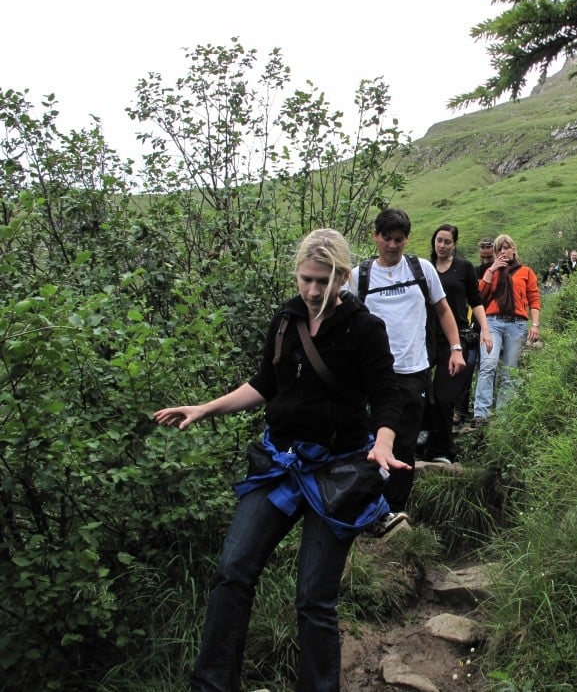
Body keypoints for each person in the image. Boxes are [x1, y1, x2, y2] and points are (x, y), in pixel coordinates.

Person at [153, 228, 407, 692]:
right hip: (280, 464)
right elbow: (265, 384)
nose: (312, 290)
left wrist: (384, 442)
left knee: (313, 597)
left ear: (343, 278)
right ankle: (212, 685)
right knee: (232, 572)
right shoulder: (286, 321)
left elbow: (387, 395)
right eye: (306, 279)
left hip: (337, 473)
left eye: (323, 281)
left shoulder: (365, 329)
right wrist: (206, 408)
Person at [349, 209, 465, 513]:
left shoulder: (421, 269)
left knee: (404, 443)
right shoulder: (358, 276)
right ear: (375, 236)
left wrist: (456, 347)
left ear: (407, 240)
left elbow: (443, 309)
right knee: (369, 441)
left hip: (414, 370)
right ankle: (365, 506)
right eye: (386, 238)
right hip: (371, 374)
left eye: (398, 239)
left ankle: (394, 509)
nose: (392, 245)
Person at [421, 224, 493, 464]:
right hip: (425, 337)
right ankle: (421, 442)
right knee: (418, 392)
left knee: (444, 396)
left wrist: (485, 330)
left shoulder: (463, 268)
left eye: (447, 242)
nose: (441, 245)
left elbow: (476, 300)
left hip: (456, 338)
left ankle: (443, 451)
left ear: (454, 245)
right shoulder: (424, 268)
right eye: (439, 240)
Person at [474, 233, 541, 424]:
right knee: (488, 364)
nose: (503, 251)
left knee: (510, 371)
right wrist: (491, 270)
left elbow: (534, 299)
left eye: (506, 247)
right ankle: (481, 414)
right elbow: (478, 295)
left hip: (517, 324)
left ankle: (503, 418)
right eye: (499, 249)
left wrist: (535, 324)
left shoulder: (526, 272)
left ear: (513, 249)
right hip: (492, 322)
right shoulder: (492, 271)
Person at [455, 237, 497, 428]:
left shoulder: (500, 273)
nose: (486, 261)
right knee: (467, 368)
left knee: (488, 369)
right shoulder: (473, 271)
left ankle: (486, 411)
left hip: (494, 325)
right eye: (483, 257)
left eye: (489, 257)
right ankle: (460, 410)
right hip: (474, 327)